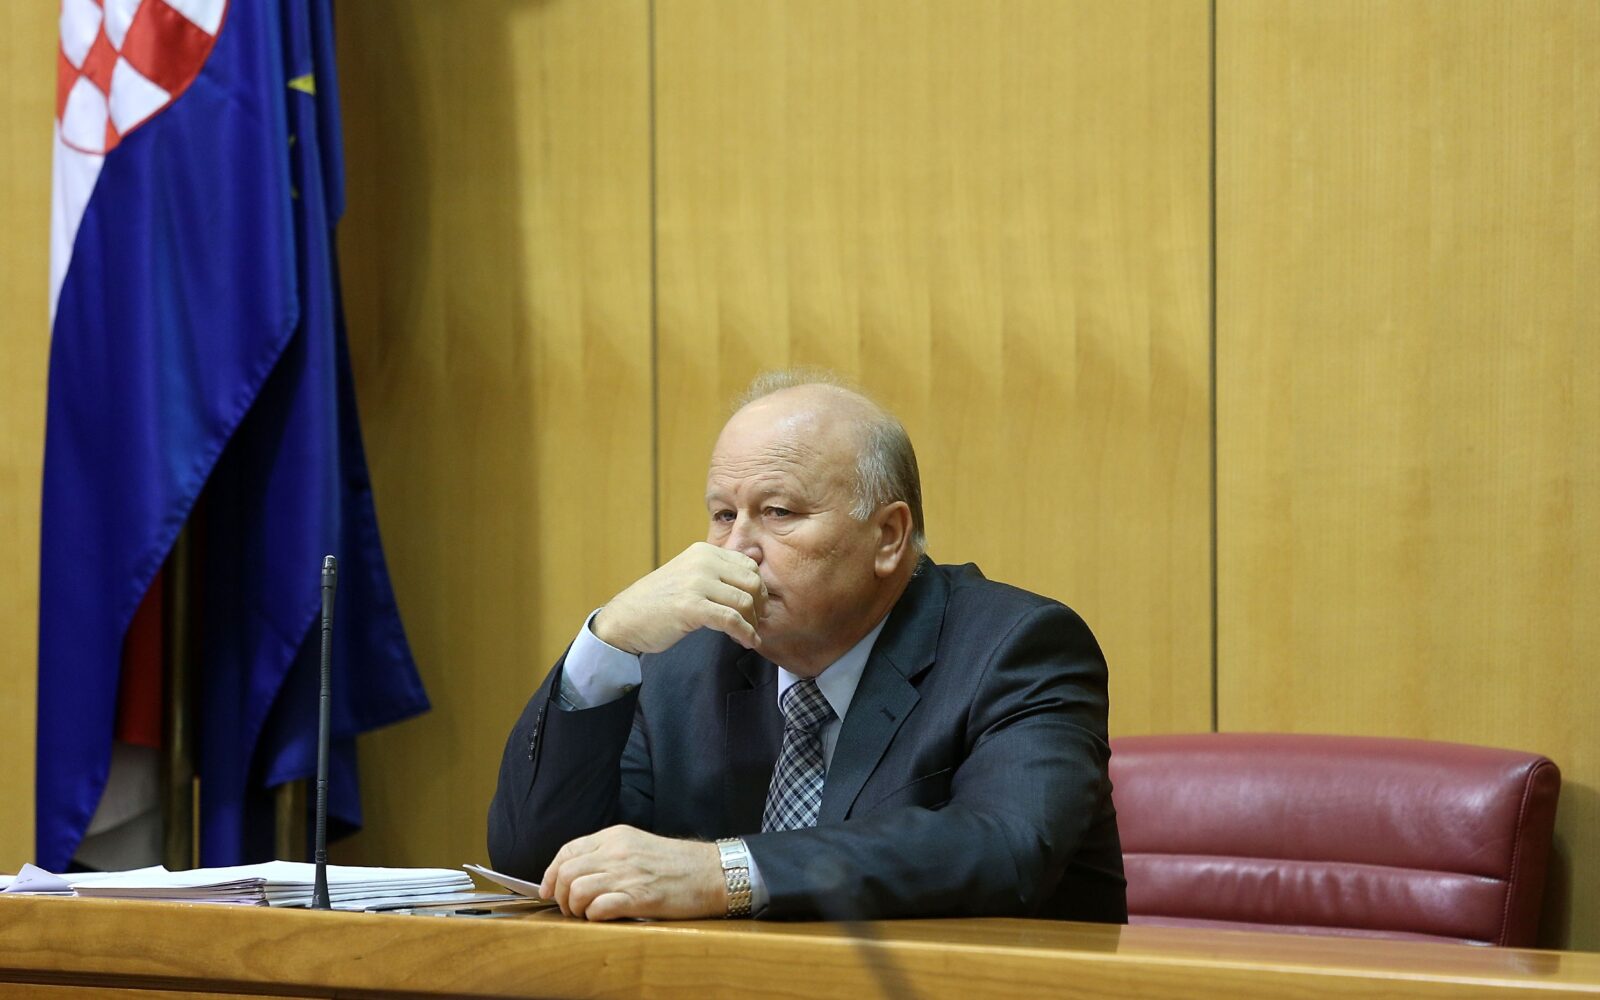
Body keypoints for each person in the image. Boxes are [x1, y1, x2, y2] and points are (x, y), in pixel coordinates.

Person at [488, 370, 1125, 921]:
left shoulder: (1014, 647)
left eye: (779, 512)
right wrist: (608, 644)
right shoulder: (685, 663)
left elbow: (1008, 845)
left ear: (888, 536)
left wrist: (723, 872)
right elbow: (537, 861)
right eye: (723, 515)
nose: (737, 550)